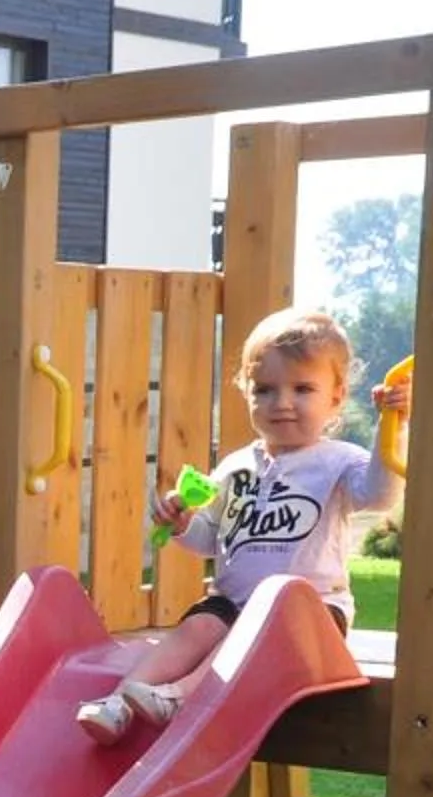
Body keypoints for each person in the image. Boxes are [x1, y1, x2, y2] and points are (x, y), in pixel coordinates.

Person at [77, 306, 410, 744]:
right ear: (246, 392)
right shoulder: (236, 466)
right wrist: (181, 525)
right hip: (235, 602)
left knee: (248, 629)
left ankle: (178, 698)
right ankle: (118, 705)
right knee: (199, 625)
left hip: (311, 616)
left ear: (336, 397)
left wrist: (391, 427)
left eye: (303, 388)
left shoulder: (338, 460)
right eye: (265, 390)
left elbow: (380, 494)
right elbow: (213, 540)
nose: (282, 403)